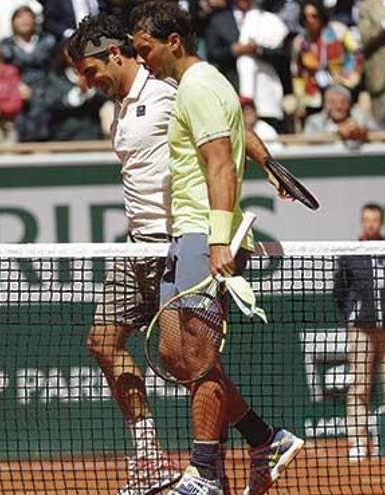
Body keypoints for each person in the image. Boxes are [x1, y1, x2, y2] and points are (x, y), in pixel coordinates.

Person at [129, 3, 304, 494]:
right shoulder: (195, 87)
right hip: (181, 233)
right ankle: (263, 437)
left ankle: (204, 472)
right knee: (173, 353)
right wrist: (269, 162)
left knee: (199, 355)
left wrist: (219, 239)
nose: (142, 60)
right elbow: (236, 133)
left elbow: (220, 165)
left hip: (202, 233)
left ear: (173, 43)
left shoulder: (201, 86)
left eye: (145, 50)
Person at [333, 204, 385, 462]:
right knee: (360, 387)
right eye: (367, 220)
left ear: (382, 222)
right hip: (361, 330)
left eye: (375, 220)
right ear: (362, 221)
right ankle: (358, 442)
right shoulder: (351, 253)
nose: (371, 224)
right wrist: (354, 313)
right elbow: (340, 290)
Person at [205, 0, 289, 132]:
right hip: (233, 88)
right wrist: (234, 51)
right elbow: (213, 53)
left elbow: (282, 54)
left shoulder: (268, 19)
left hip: (264, 91)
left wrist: (258, 50)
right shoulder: (219, 19)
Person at [290, 0, 362, 119]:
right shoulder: (299, 43)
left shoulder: (339, 31)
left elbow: (357, 54)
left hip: (340, 85)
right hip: (313, 94)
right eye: (306, 17)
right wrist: (300, 98)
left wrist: (352, 76)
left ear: (321, 16)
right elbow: (297, 73)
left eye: (314, 16)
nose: (310, 20)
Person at [0, 6, 57, 141]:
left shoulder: (48, 41)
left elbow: (54, 69)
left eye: (28, 16)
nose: (24, 21)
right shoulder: (5, 46)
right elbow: (3, 72)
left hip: (44, 92)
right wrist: (16, 86)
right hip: (19, 94)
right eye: (20, 17)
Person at [304, 85, 379, 146]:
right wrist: (336, 130)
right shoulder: (314, 121)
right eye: (332, 102)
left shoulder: (361, 117)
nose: (338, 106)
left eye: (343, 102)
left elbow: (379, 135)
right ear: (326, 105)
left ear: (349, 104)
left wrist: (361, 132)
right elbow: (308, 141)